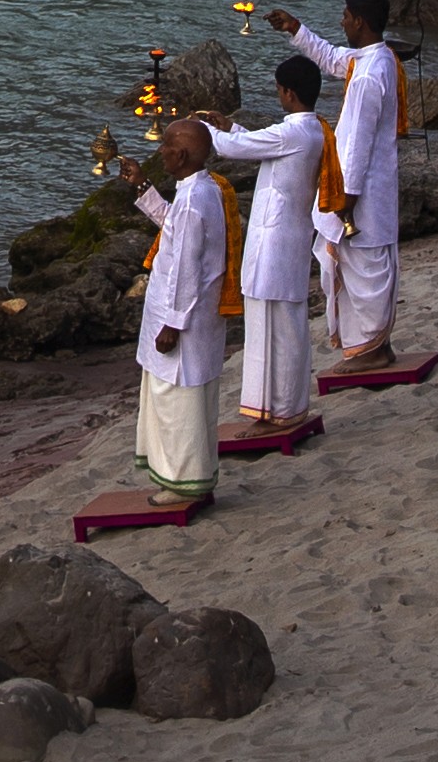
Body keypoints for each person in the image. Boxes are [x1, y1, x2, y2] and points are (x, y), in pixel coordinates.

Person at [203, 60, 338, 449]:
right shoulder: (311, 129)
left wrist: (206, 130)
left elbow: (237, 148)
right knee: (288, 329)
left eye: (279, 90)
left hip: (274, 243)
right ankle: (289, 406)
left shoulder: (294, 131)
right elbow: (257, 141)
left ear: (288, 93)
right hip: (289, 240)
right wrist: (229, 126)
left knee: (267, 333)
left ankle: (269, 414)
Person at [294, 0, 421, 381]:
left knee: (364, 270)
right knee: (367, 267)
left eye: (345, 16)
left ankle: (370, 350)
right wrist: (295, 29)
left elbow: (357, 144)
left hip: (361, 191)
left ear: (360, 21)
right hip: (373, 188)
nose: (341, 21)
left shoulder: (368, 77)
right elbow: (332, 58)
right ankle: (374, 346)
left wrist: (345, 197)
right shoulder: (377, 58)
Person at [110, 137, 230, 520]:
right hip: (184, 313)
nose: (160, 151)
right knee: (176, 398)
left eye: (166, 146)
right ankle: (183, 478)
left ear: (182, 154)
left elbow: (187, 268)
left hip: (182, 317)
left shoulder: (196, 199)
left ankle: (183, 483)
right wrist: (143, 187)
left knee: (178, 401)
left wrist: (173, 324)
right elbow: (174, 229)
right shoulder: (198, 190)